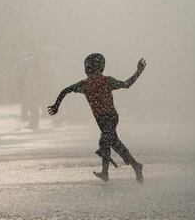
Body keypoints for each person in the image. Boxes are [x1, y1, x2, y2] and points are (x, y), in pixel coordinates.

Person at [48, 53, 147, 182]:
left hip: (106, 118)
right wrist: (138, 72)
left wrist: (56, 105)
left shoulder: (85, 84)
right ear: (102, 67)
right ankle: (135, 166)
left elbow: (65, 90)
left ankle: (107, 171)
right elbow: (127, 84)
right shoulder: (107, 81)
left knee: (105, 142)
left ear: (87, 68)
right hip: (110, 117)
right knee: (114, 143)